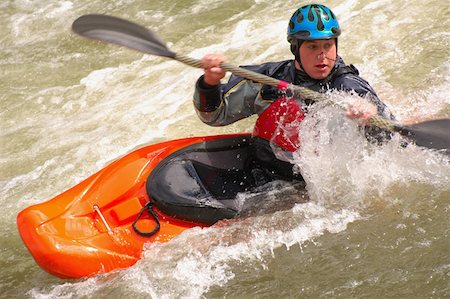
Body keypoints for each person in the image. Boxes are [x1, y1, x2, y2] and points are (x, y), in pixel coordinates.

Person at [193, 4, 395, 183]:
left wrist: (369, 116)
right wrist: (210, 83)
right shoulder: (270, 79)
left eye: (327, 45)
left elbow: (390, 136)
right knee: (285, 108)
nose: (322, 55)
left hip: (319, 187)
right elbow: (214, 116)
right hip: (267, 172)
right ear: (295, 48)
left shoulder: (348, 85)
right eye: (312, 46)